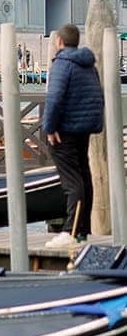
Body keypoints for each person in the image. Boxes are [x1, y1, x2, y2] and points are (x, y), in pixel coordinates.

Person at [42, 23, 105, 248]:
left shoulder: (62, 64)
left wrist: (49, 127)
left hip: (64, 131)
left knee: (72, 181)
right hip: (83, 129)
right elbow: (99, 95)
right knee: (84, 176)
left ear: (59, 41)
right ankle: (82, 231)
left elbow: (55, 97)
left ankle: (71, 231)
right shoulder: (89, 65)